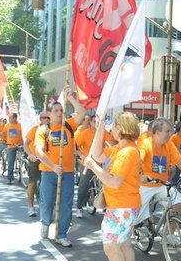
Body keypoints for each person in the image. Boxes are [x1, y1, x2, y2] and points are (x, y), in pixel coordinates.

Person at [84, 112, 141, 261]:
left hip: (122, 205)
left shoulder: (128, 152)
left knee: (111, 247)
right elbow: (99, 155)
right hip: (122, 205)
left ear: (121, 128)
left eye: (113, 126)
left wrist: (93, 167)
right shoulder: (121, 149)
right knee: (123, 246)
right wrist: (99, 128)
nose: (112, 128)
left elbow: (114, 181)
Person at [34, 88, 86, 247]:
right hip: (49, 173)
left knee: (66, 204)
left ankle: (61, 234)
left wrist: (70, 97)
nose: (59, 112)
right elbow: (38, 151)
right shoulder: (43, 130)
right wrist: (54, 166)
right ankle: (45, 223)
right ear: (49, 114)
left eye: (61, 110)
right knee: (47, 202)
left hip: (68, 173)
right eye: (55, 110)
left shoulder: (69, 126)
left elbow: (82, 112)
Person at [135, 118, 181, 227]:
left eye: (171, 131)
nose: (170, 134)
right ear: (157, 132)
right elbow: (138, 161)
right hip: (145, 185)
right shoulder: (145, 144)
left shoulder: (169, 144)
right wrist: (140, 176)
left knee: (178, 204)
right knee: (134, 219)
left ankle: (170, 236)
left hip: (162, 184)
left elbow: (179, 160)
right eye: (167, 131)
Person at [74, 114, 115, 218]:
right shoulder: (85, 133)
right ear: (90, 123)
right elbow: (74, 146)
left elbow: (112, 143)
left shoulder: (103, 132)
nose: (96, 124)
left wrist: (111, 145)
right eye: (94, 121)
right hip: (87, 163)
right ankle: (79, 207)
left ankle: (105, 203)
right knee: (84, 183)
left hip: (100, 163)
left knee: (107, 182)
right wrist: (82, 155)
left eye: (98, 122)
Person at [23, 112, 50, 217]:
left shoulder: (53, 130)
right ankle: (30, 207)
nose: (47, 119)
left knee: (48, 185)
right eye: (44, 118)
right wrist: (30, 155)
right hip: (36, 160)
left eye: (48, 117)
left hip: (48, 162)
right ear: (40, 119)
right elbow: (26, 144)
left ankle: (47, 207)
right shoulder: (35, 129)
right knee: (32, 183)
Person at [3, 113, 23, 185]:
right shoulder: (7, 125)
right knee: (11, 162)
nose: (9, 119)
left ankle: (22, 173)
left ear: (15, 118)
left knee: (24, 159)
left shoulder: (20, 125)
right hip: (10, 146)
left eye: (10, 118)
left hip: (19, 145)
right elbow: (4, 133)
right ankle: (10, 178)